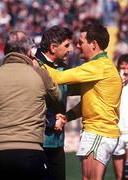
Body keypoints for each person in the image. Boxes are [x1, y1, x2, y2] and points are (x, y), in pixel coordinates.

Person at [44, 23, 122, 180]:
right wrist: (68, 116)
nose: (76, 47)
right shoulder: (101, 67)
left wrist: (35, 60)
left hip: (98, 131)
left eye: (80, 42)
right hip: (99, 132)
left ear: (93, 45)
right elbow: (89, 102)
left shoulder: (97, 66)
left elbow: (58, 77)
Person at [0, 30, 62, 180]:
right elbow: (57, 97)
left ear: (5, 50)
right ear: (29, 52)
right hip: (30, 150)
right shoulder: (39, 74)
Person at [35, 25, 73, 180]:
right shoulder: (33, 66)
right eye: (66, 46)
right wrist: (51, 120)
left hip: (57, 142)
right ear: (53, 47)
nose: (70, 50)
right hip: (36, 142)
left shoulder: (63, 69)